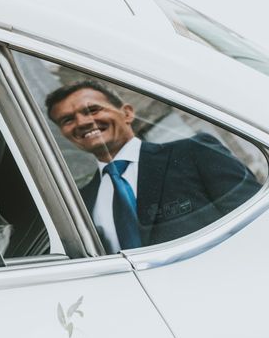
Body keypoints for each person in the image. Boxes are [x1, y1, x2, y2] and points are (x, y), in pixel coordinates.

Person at [46, 79, 261, 253]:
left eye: (92, 110)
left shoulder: (195, 153)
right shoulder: (79, 203)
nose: (82, 122)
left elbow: (259, 222)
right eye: (67, 120)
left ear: (127, 113)